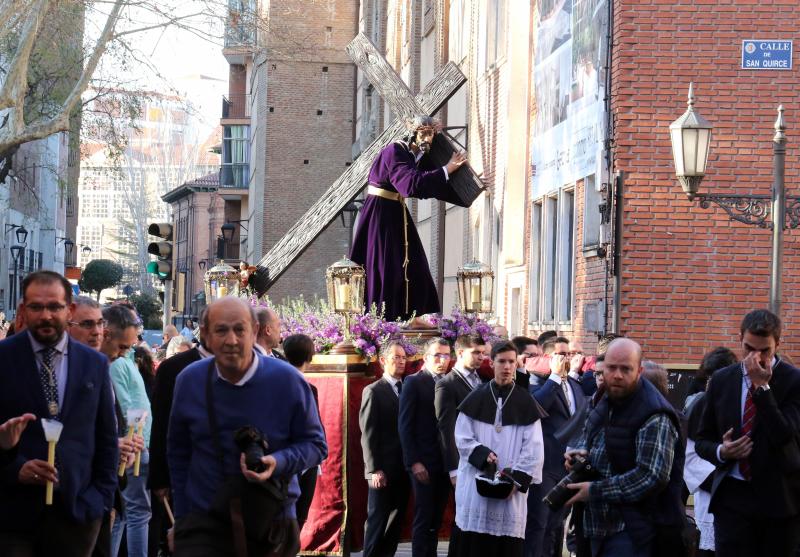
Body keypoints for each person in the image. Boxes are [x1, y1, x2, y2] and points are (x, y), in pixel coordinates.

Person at [168, 297, 327, 557]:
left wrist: (278, 461)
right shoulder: (190, 381)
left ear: (254, 331)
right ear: (205, 335)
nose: (231, 340)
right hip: (205, 524)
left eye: (239, 329)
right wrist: (183, 521)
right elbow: (179, 454)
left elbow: (316, 446)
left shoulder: (287, 380)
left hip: (270, 523)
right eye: (221, 330)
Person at [0, 271, 119, 556]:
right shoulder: (4, 359)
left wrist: (99, 499)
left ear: (70, 309)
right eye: (36, 307)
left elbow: (106, 438)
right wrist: (16, 468)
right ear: (23, 310)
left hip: (77, 512)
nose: (46, 316)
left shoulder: (94, 364)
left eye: (54, 306)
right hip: (13, 515)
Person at [564, 338, 684, 557]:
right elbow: (588, 436)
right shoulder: (605, 397)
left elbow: (651, 476)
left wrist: (593, 491)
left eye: (625, 368)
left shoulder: (655, 413)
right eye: (611, 367)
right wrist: (579, 453)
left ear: (639, 371)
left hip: (633, 530)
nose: (617, 375)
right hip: (595, 526)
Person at [695, 310, 800, 557]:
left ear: (778, 344)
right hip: (732, 496)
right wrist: (722, 451)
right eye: (749, 348)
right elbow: (702, 440)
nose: (756, 357)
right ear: (740, 338)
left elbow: (785, 435)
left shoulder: (793, 381)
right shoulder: (722, 380)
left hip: (779, 500)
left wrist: (762, 388)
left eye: (765, 350)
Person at [349, 115, 469, 322]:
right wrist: (447, 169)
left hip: (395, 212)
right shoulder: (395, 151)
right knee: (388, 268)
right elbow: (411, 185)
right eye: (423, 133)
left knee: (413, 266)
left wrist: (471, 186)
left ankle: (412, 317)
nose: (427, 139)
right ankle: (383, 321)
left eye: (431, 134)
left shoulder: (412, 154)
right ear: (412, 132)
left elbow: (430, 181)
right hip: (381, 218)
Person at [447, 341, 545, 557]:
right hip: (476, 484)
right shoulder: (475, 397)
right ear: (492, 363)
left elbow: (534, 448)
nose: (507, 367)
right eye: (502, 361)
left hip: (510, 492)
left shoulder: (526, 403)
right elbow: (462, 438)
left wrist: (514, 479)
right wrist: (482, 454)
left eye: (512, 361)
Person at [148, 309, 209, 557]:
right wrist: (160, 477)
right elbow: (162, 423)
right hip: (185, 472)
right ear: (204, 330)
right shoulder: (173, 368)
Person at [525, 341, 589, 557]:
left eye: (571, 354)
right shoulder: (536, 381)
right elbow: (536, 408)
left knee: (557, 525)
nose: (567, 358)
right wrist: (554, 376)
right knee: (539, 524)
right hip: (546, 465)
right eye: (562, 354)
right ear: (548, 357)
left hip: (570, 466)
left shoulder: (575, 383)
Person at [103, 305, 153, 557]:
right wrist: (128, 439)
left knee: (124, 512)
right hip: (127, 446)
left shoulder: (120, 361)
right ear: (107, 333)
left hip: (133, 444)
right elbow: (122, 406)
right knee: (130, 512)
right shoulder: (114, 364)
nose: (124, 352)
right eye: (123, 346)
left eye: (129, 347)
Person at [399, 337, 452, 557]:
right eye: (438, 355)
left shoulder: (449, 382)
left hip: (445, 462)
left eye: (447, 355)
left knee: (436, 518)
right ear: (426, 357)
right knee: (424, 516)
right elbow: (405, 426)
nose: (443, 360)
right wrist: (414, 462)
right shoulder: (414, 382)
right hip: (424, 463)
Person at [683, 347, 737, 557]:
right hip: (712, 494)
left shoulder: (743, 402)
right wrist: (721, 479)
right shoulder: (701, 405)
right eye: (710, 378)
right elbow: (689, 456)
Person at [359, 341, 411, 557]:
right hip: (382, 470)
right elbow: (368, 434)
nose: (400, 362)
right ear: (382, 360)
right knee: (377, 521)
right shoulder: (374, 391)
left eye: (403, 358)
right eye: (395, 357)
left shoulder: (408, 388)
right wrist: (373, 470)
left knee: (395, 522)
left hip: (404, 468)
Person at [435, 334, 487, 487]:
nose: (481, 357)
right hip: (462, 460)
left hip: (483, 456)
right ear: (460, 353)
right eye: (476, 352)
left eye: (483, 353)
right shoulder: (446, 384)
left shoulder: (483, 379)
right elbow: (446, 428)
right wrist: (453, 469)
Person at [281, 333, 321, 532]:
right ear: (310, 358)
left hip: (284, 458)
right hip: (302, 461)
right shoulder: (308, 388)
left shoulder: (276, 383)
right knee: (297, 520)